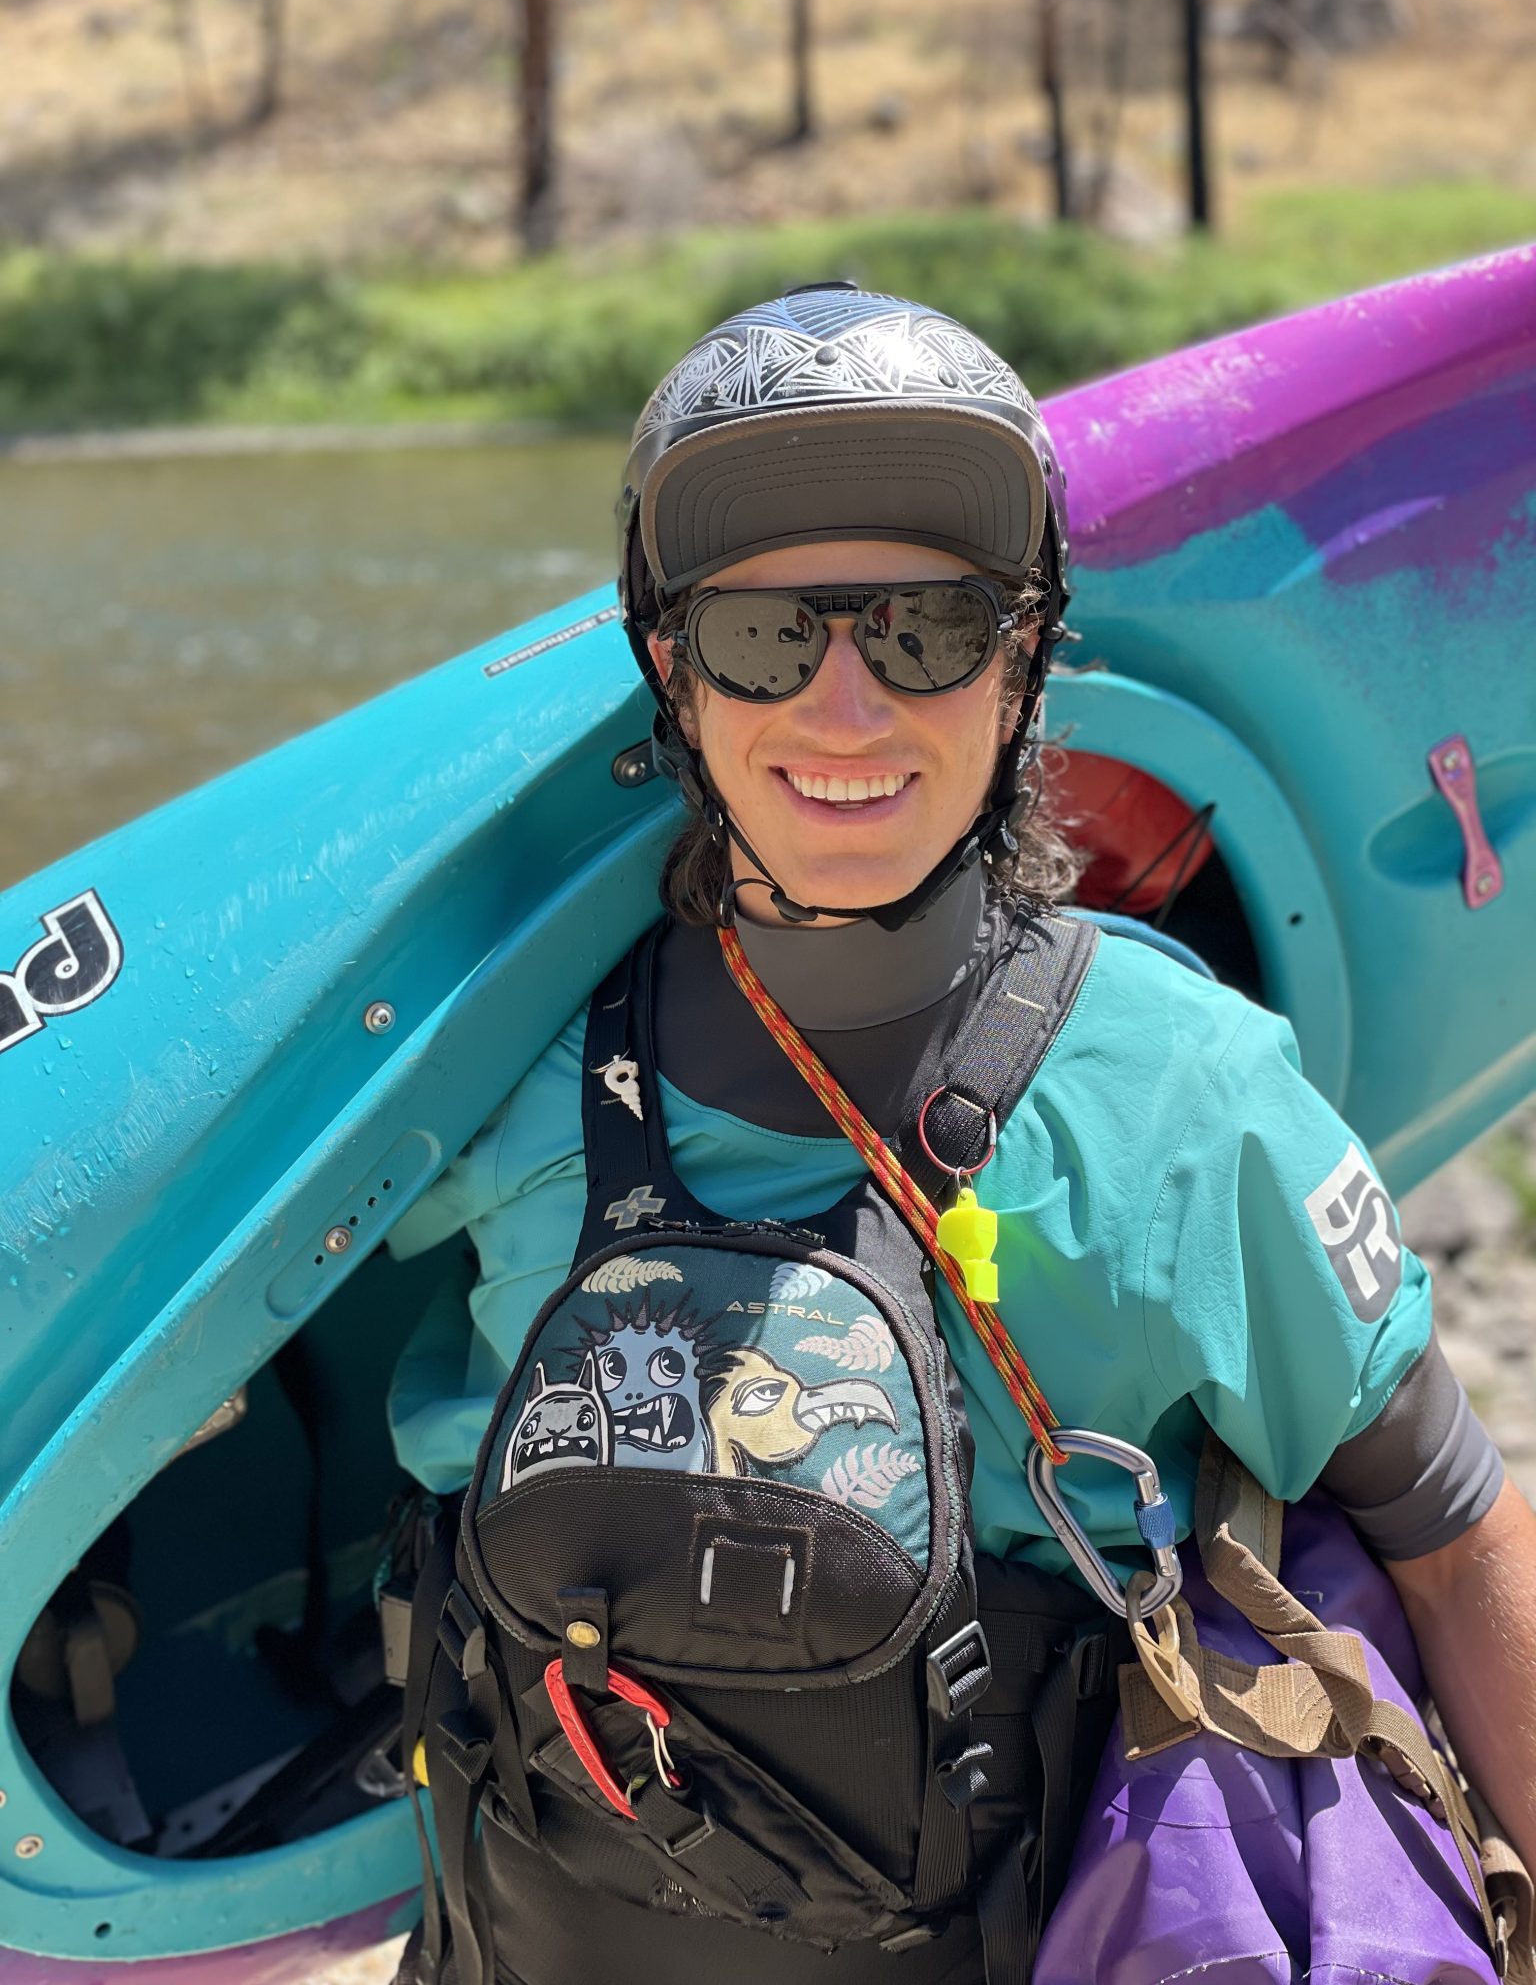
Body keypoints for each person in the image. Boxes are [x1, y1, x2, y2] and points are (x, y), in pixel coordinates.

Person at [387, 285, 1536, 1984]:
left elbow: (1452, 1540)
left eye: (924, 629)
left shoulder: (1188, 1096)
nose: (846, 710)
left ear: (1024, 658)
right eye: (769, 635)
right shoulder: (492, 1064)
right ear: (666, 661)